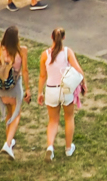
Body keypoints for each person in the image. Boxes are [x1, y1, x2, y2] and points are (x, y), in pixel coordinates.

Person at [39, 27, 81, 159]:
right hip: (65, 89)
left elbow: (42, 76)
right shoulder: (68, 52)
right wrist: (83, 82)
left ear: (51, 37)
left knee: (53, 121)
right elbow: (78, 69)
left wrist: (40, 92)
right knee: (69, 117)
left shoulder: (45, 54)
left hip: (51, 90)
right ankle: (68, 148)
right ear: (64, 38)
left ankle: (50, 147)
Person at [0, 26, 29, 159]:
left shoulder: (1, 50)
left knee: (9, 113)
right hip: (14, 87)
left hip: (2, 88)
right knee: (16, 115)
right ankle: (8, 144)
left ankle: (9, 139)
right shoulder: (22, 51)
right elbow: (25, 71)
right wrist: (28, 88)